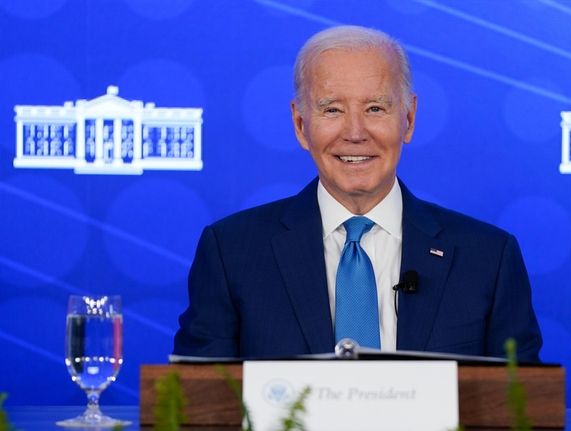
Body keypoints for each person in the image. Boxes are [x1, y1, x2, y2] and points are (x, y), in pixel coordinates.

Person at [173, 25, 542, 362]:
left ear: (409, 119)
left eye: (375, 108)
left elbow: (520, 406)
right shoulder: (231, 252)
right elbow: (199, 403)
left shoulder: (489, 259)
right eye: (332, 109)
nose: (354, 132)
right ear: (301, 125)